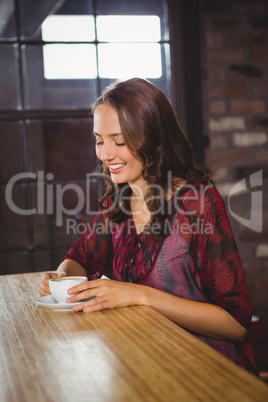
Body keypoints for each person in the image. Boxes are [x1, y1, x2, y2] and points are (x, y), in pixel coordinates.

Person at [38, 77, 258, 375]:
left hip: (204, 372)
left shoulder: (199, 203)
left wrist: (138, 294)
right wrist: (62, 280)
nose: (104, 155)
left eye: (119, 141)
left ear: (153, 139)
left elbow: (236, 325)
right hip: (140, 362)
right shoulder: (118, 202)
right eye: (99, 140)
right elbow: (79, 260)